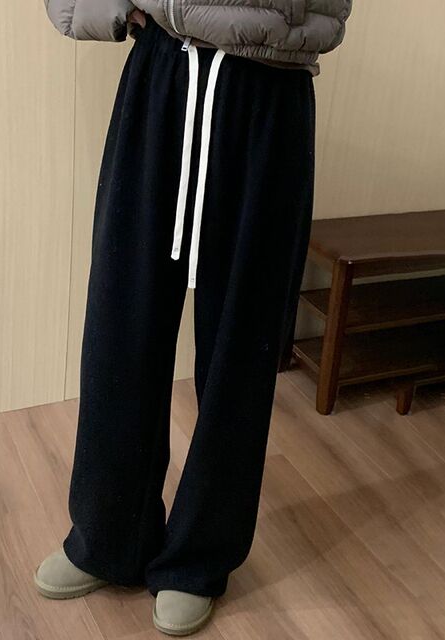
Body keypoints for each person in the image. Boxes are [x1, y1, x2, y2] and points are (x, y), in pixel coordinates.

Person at [34, 0, 351, 635]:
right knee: (120, 323)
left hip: (267, 88)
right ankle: (107, 534)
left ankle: (199, 558)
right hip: (163, 75)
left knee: (242, 347)